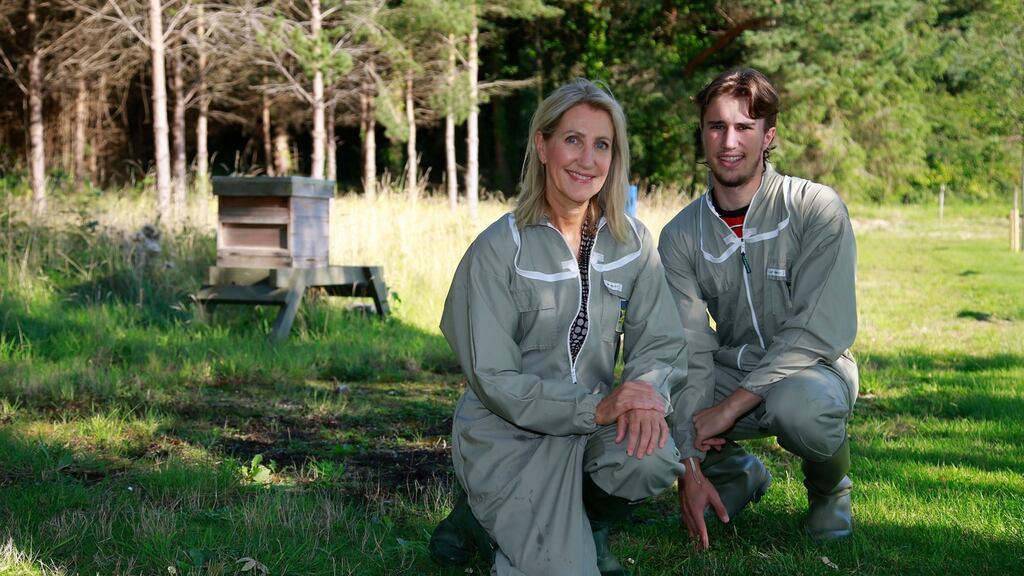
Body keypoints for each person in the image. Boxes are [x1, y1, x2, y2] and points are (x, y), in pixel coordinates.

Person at [428, 79, 689, 576]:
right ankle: (479, 521)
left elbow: (661, 343)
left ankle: (587, 526)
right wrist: (598, 407)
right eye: (572, 139)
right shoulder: (498, 249)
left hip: (593, 424)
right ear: (542, 145)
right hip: (511, 433)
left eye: (602, 145)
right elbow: (495, 380)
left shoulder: (632, 242)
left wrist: (645, 396)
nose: (586, 159)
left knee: (650, 456)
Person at [658, 68, 859, 550]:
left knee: (802, 407)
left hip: (814, 369)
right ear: (702, 134)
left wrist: (728, 410)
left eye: (745, 127)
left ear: (768, 136)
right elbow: (688, 347)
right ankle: (736, 473)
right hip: (735, 366)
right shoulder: (680, 236)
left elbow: (816, 330)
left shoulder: (816, 208)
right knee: (654, 397)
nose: (729, 141)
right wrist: (687, 457)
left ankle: (831, 491)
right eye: (716, 126)